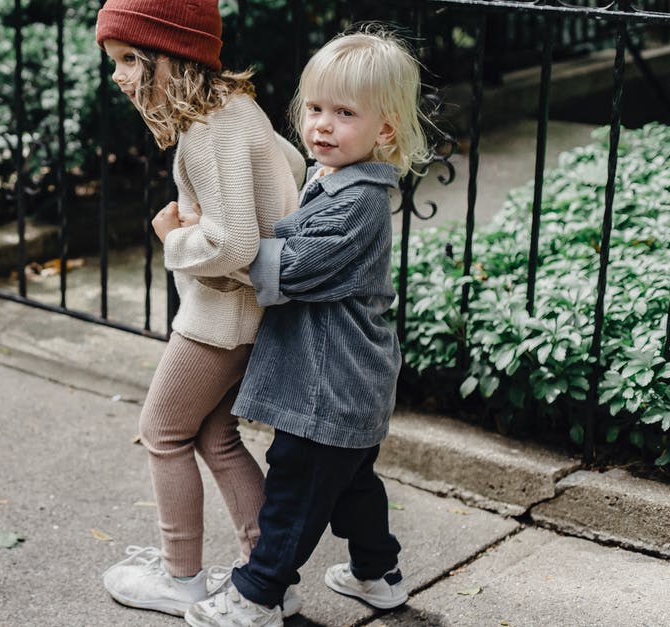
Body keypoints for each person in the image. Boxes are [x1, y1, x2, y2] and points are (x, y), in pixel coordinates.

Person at [181, 26, 430, 627]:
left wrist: (188, 238)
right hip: (354, 386)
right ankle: (379, 573)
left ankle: (258, 592)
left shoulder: (359, 203)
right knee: (351, 488)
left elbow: (283, 267)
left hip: (330, 388)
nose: (322, 124)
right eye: (315, 108)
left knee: (293, 494)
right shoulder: (333, 179)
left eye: (344, 113)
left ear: (385, 130)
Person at [94, 0, 306, 618]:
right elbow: (289, 163)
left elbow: (234, 241)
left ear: (175, 55)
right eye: (116, 61)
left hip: (221, 315)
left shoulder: (208, 131)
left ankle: (180, 575)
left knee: (162, 432)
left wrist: (173, 240)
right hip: (248, 311)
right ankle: (270, 576)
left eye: (130, 59)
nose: (120, 76)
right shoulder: (239, 110)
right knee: (216, 437)